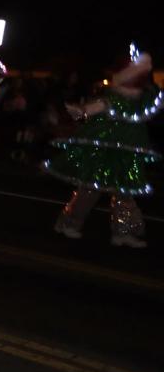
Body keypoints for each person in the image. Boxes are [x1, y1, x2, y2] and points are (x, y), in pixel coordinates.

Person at [45, 45, 159, 247]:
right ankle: (69, 224)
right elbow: (93, 108)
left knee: (125, 193)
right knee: (90, 190)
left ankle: (123, 233)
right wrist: (78, 111)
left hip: (127, 153)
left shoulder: (143, 100)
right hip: (104, 151)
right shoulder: (114, 98)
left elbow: (154, 107)